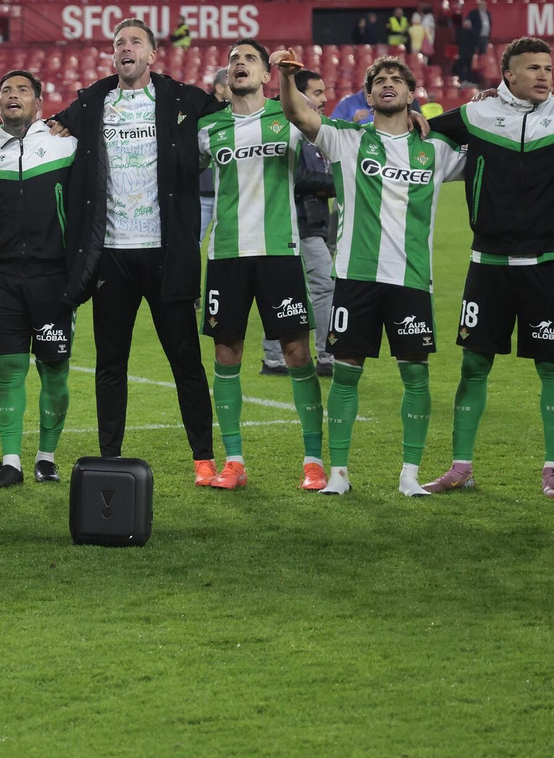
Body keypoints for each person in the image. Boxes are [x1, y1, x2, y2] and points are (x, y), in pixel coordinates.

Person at [425, 37, 554, 499]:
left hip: (547, 264)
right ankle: (461, 467)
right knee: (473, 365)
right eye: (532, 68)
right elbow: (420, 131)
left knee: (551, 367)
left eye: (548, 68)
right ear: (507, 75)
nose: (544, 75)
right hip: (486, 264)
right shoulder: (476, 115)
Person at [275, 53, 466, 496]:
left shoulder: (434, 149)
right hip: (356, 276)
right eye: (380, 80)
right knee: (346, 373)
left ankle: (410, 476)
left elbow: (491, 142)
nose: (388, 84)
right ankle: (338, 475)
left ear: (411, 93)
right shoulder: (346, 139)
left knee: (415, 376)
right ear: (367, 94)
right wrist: (287, 78)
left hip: (412, 278)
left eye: (397, 80)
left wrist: (473, 108)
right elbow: (297, 113)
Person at [41, 19, 222, 482]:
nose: (125, 48)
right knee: (110, 362)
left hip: (167, 253)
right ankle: (110, 457)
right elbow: (38, 128)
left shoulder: (183, 99)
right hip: (111, 254)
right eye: (119, 43)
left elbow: (235, 113)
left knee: (185, 362)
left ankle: (204, 459)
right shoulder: (93, 101)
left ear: (152, 54)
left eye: (135, 42)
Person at [196, 38, 326, 492]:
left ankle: (313, 461)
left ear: (265, 74)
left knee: (297, 354)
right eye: (233, 60)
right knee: (226, 355)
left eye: (248, 58)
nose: (239, 64)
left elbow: (336, 132)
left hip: (279, 253)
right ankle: (234, 461)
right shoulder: (208, 127)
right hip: (227, 254)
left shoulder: (287, 117)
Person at [0, 71, 82, 488]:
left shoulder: (65, 145)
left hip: (54, 277)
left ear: (39, 101)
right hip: (2, 279)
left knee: (54, 369)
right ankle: (12, 461)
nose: (12, 96)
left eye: (21, 90)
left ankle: (46, 456)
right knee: (9, 371)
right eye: (5, 91)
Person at [262, 69, 336, 378]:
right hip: (294, 222)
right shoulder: (282, 128)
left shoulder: (315, 132)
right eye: (317, 93)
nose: (323, 99)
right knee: (319, 285)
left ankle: (276, 357)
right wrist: (333, 183)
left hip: (310, 222)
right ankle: (325, 356)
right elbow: (296, 177)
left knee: (289, 289)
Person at [198, 68, 229, 243]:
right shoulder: (201, 113)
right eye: (230, 85)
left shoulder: (235, 114)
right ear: (219, 87)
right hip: (203, 194)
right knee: (193, 243)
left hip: (227, 195)